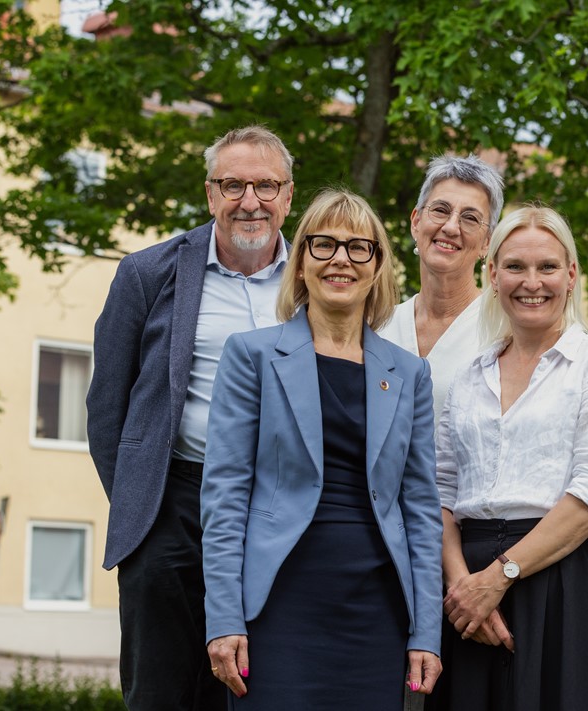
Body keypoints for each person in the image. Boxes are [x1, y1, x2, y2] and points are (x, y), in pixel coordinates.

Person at [201, 189, 444, 708]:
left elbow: (420, 510)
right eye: (324, 244)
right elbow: (224, 497)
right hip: (277, 606)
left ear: (377, 266)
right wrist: (223, 618)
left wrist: (426, 630)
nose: (340, 259)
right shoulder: (251, 357)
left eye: (359, 248)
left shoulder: (410, 373)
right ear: (302, 261)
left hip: (376, 610)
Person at [86, 125, 294, 710]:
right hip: (172, 505)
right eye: (233, 185)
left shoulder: (314, 280)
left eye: (265, 186)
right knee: (161, 689)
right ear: (210, 194)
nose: (249, 201)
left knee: (256, 683)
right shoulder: (148, 273)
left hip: (276, 509)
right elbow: (107, 406)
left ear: (288, 195)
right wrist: (139, 498)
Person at [430, 206, 588, 710]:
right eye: (515, 267)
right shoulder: (468, 377)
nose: (533, 282)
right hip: (464, 583)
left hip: (562, 576)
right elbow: (439, 490)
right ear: (492, 274)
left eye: (548, 267)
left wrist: (498, 577)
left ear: (571, 275)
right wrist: (464, 584)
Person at [379, 154, 504, 420]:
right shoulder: (379, 325)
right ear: (416, 221)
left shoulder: (503, 330)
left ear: (487, 242)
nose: (450, 227)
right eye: (440, 210)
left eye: (470, 218)